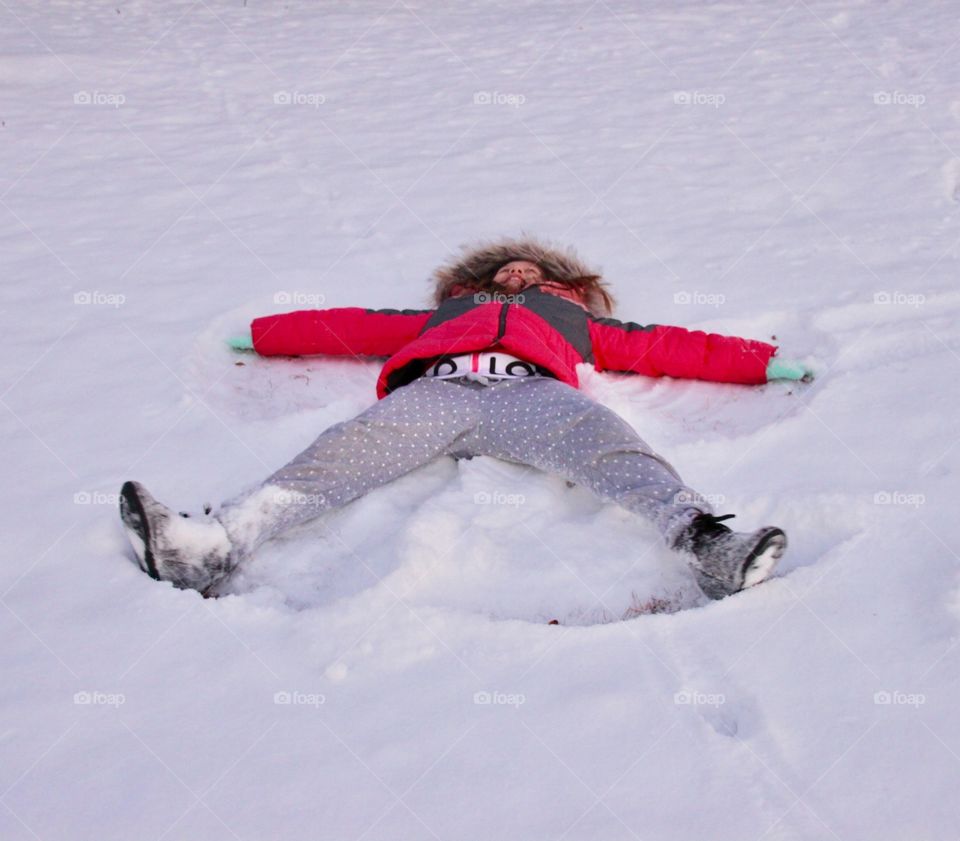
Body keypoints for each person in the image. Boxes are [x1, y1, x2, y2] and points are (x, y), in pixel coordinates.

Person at [119, 236, 811, 601]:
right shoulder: (444, 316)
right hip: (439, 393)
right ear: (476, 284)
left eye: (531, 275)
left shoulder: (571, 322)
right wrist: (265, 333)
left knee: (613, 446)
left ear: (559, 287)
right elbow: (351, 325)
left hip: (532, 396)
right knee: (341, 452)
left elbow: (665, 345)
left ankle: (707, 544)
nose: (517, 279)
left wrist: (765, 362)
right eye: (505, 274)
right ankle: (211, 547)